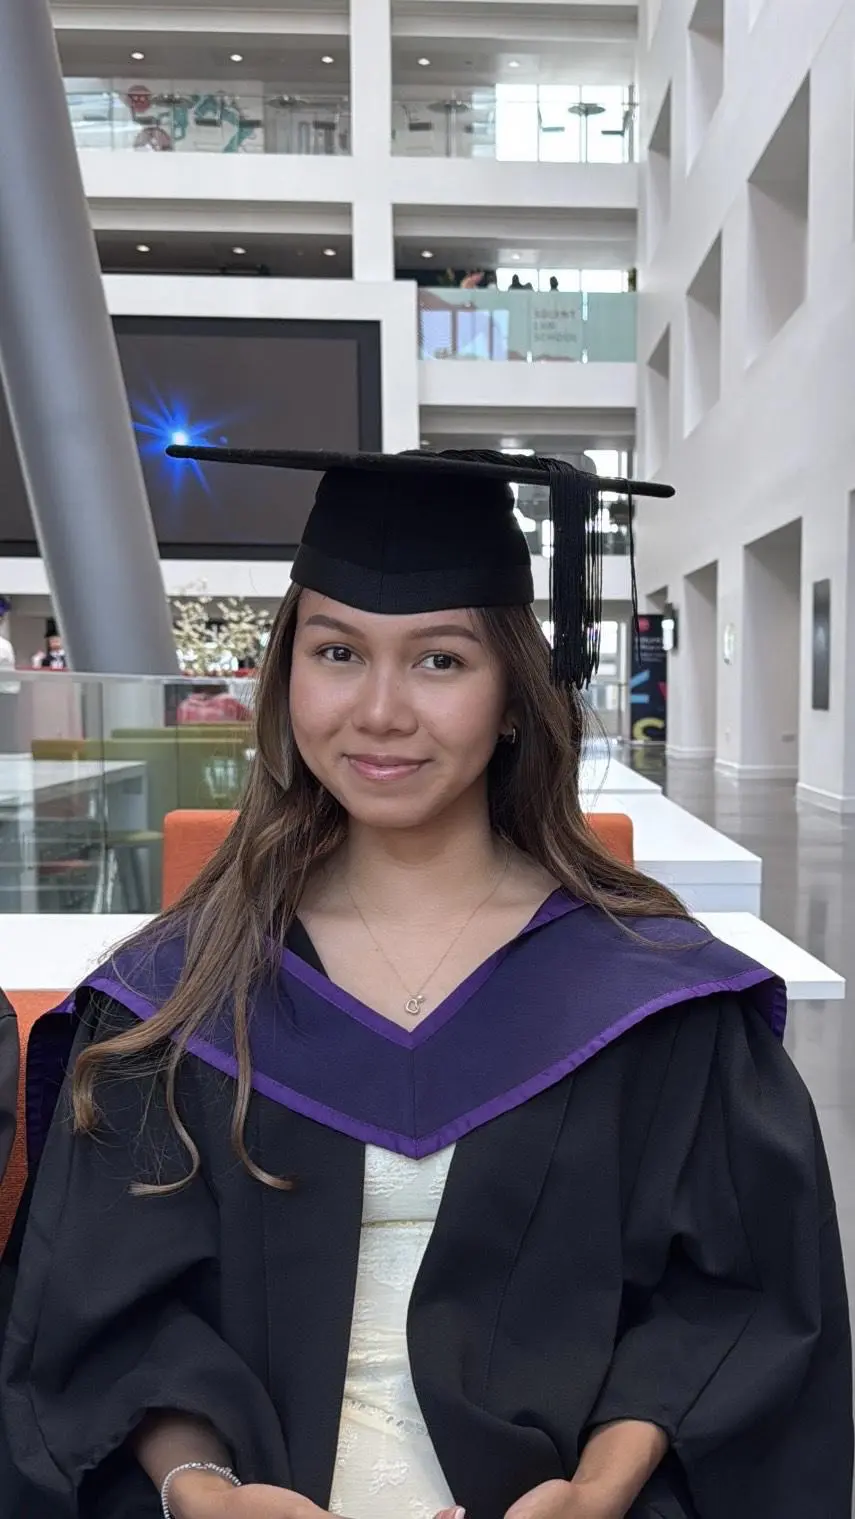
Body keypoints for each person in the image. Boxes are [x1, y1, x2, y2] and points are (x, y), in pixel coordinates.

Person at [0, 445, 851, 1519]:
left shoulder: (653, 998)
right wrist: (197, 1489)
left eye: (440, 660)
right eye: (338, 651)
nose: (381, 711)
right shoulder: (182, 994)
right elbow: (98, 1318)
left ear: (511, 694)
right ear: (287, 675)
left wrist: (599, 1488)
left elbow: (737, 1307)